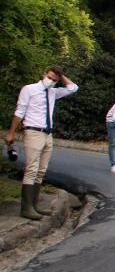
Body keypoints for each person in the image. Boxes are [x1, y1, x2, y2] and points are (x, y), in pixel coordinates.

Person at [5, 66, 78, 220]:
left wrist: (61, 75)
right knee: (32, 168)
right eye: (50, 77)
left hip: (47, 134)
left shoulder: (53, 92)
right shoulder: (29, 89)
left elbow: (73, 88)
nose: (51, 81)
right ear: (44, 74)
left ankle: (34, 205)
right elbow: (20, 111)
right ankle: (26, 208)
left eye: (54, 80)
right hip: (33, 132)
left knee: (41, 170)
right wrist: (11, 132)